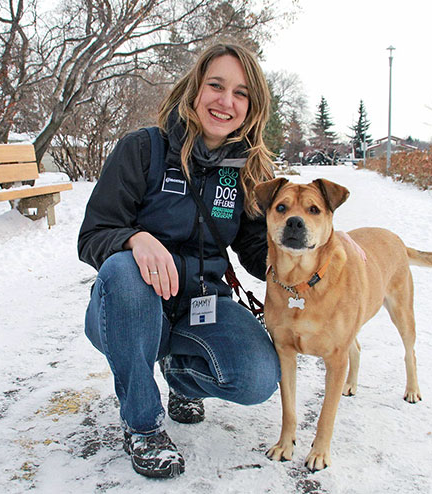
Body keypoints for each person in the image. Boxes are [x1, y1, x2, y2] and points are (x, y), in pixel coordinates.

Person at [78, 43, 280, 479]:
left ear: (253, 106)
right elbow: (93, 236)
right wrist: (134, 238)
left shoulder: (246, 171)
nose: (226, 102)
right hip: (130, 307)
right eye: (216, 86)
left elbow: (255, 249)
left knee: (258, 377)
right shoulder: (143, 149)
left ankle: (179, 374)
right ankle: (143, 424)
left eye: (241, 93)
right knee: (122, 269)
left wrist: (311, 256)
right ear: (195, 89)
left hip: (201, 306)